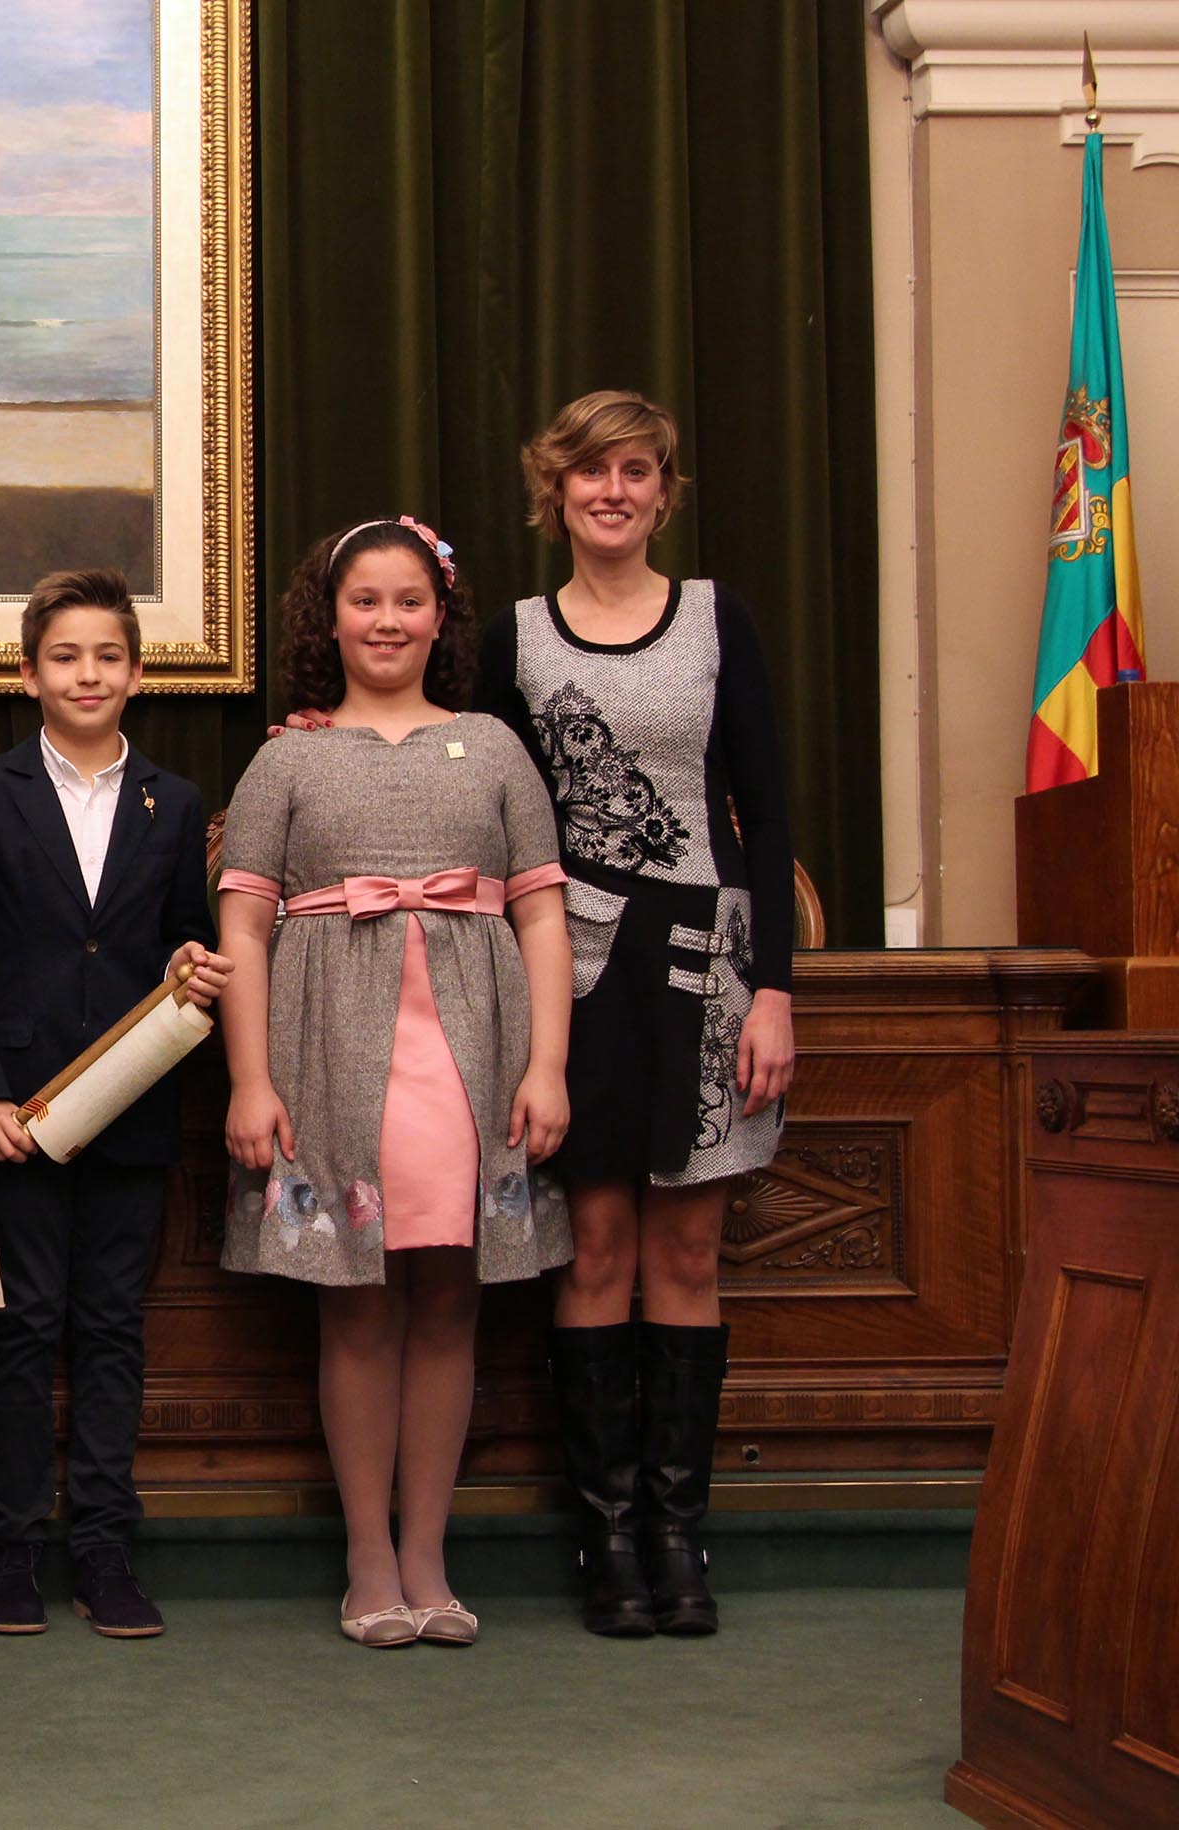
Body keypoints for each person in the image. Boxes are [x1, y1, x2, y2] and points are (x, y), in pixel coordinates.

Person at [217, 517, 574, 1649]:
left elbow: (542, 911)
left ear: (441, 615)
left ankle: (428, 1550)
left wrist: (548, 1064)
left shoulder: (494, 748)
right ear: (331, 618)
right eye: (364, 599)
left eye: (408, 599)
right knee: (357, 1310)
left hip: (471, 1057)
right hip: (333, 1059)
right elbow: (242, 921)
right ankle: (366, 1558)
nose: (386, 620)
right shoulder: (288, 757)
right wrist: (249, 1081)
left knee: (450, 1307)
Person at [486, 391, 796, 1638]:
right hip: (574, 976)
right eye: (588, 473)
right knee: (597, 1252)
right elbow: (490, 812)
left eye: (636, 471)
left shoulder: (719, 618)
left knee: (685, 1255)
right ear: (553, 492)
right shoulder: (514, 640)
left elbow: (767, 815)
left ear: (664, 491)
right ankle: (606, 1542)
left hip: (707, 978)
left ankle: (679, 1537)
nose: (611, 491)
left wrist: (774, 988)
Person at [0, 568, 227, 1638]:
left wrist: (193, 963)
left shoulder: (176, 800)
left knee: (110, 1332)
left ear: (137, 674)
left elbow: (178, 949)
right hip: (18, 1116)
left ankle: (103, 1549)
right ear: (27, 673)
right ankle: (9, 1552)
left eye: (107, 655)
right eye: (65, 656)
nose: (87, 673)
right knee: (17, 1333)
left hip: (132, 1112)